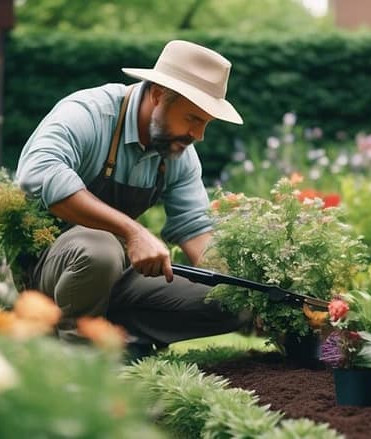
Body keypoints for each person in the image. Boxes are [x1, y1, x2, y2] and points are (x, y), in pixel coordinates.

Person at [16, 40, 248, 352]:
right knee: (99, 249)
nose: (199, 135)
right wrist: (132, 231)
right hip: (46, 269)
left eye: (206, 123)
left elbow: (195, 229)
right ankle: (76, 356)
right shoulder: (89, 114)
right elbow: (39, 173)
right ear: (157, 95)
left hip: (115, 275)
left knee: (230, 303)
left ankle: (124, 343)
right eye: (193, 118)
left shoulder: (178, 152)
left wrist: (243, 288)